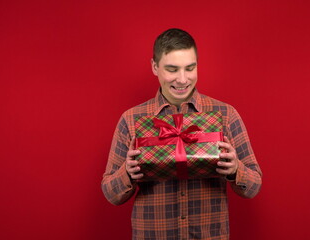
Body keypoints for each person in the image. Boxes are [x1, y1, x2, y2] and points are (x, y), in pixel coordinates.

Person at [101, 28, 262, 240]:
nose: (183, 79)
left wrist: (235, 169)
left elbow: (253, 186)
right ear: (155, 67)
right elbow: (111, 194)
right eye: (172, 69)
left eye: (190, 68)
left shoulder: (225, 115)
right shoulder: (131, 119)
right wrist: (127, 172)